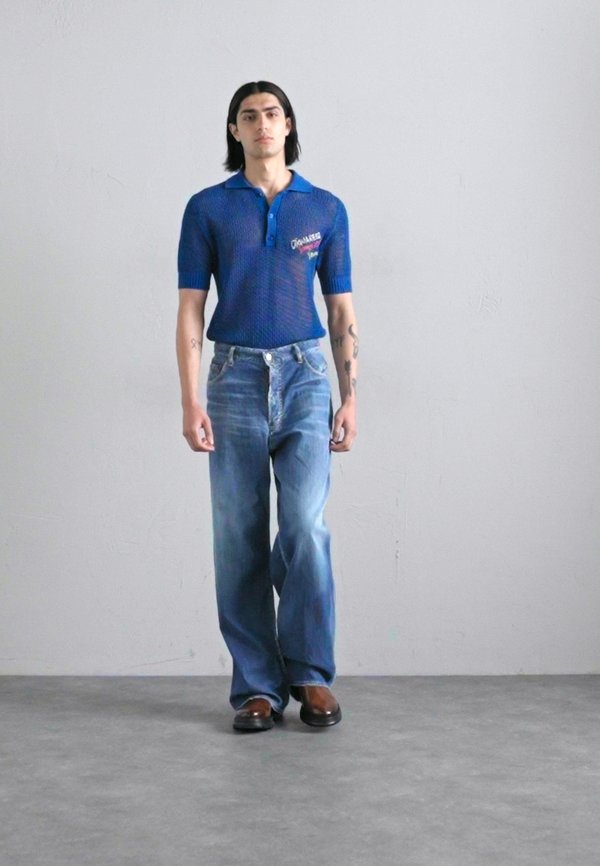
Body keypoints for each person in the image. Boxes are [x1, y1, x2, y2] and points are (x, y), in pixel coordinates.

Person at [176, 80, 358, 732]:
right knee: (238, 536)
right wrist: (190, 399)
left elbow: (340, 310)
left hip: (306, 376)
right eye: (248, 116)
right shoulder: (208, 208)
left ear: (288, 125)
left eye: (272, 113)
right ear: (235, 130)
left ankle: (310, 674)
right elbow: (191, 308)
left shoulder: (325, 208)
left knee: (305, 525)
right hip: (233, 379)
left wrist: (350, 396)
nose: (262, 124)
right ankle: (257, 686)